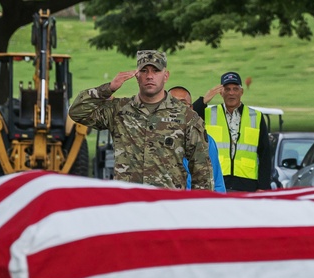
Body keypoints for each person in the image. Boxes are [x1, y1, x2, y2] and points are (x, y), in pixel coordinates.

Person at [68, 50, 213, 190]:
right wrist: (108, 88)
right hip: (128, 204)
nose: (150, 76)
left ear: (166, 76)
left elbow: (202, 170)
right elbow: (77, 112)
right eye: (144, 71)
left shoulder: (186, 116)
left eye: (156, 71)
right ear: (136, 76)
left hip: (166, 206)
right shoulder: (119, 110)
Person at [192, 71, 272, 191]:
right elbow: (187, 119)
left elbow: (265, 153)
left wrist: (263, 186)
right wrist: (203, 101)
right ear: (221, 92)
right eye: (227, 89)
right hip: (216, 180)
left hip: (247, 183)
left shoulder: (256, 116)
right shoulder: (208, 113)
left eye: (235, 89)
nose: (231, 93)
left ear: (241, 92)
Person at [168, 86, 226, 193]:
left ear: (191, 108)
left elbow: (217, 183)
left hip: (197, 205)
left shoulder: (207, 141)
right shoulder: (153, 139)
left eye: (183, 103)